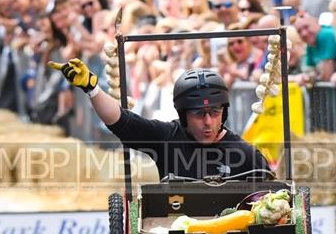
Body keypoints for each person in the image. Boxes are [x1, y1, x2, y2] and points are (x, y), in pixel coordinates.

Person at [48, 59, 272, 180]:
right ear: (183, 115)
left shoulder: (246, 154)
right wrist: (92, 89)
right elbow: (121, 122)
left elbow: (270, 197)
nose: (208, 122)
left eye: (215, 113)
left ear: (224, 112)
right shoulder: (167, 137)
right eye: (198, 114)